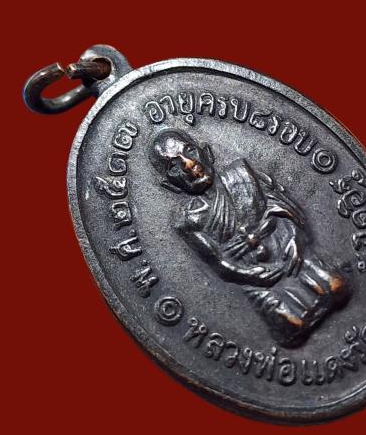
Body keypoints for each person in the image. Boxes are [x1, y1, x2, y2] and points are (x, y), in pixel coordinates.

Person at [149, 130, 348, 348]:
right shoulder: (189, 222)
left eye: (190, 151)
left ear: (206, 152)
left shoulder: (242, 173)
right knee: (292, 327)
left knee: (337, 286)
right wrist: (256, 276)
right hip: (258, 282)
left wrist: (295, 239)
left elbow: (284, 208)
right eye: (174, 167)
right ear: (170, 185)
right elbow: (220, 264)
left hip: (290, 252)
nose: (189, 164)